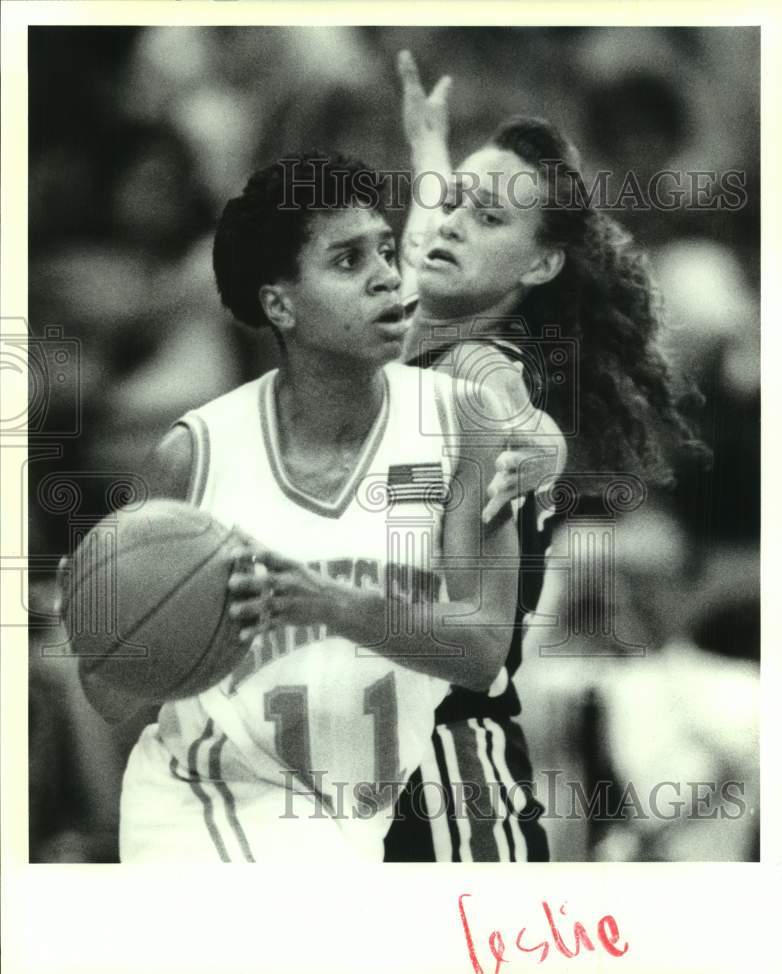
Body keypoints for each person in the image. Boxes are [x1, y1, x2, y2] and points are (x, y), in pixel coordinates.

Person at [111, 153, 521, 862]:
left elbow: (483, 650)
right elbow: (113, 689)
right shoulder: (192, 455)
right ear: (280, 304)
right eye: (348, 261)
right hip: (205, 800)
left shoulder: (464, 426)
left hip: (363, 816)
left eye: (388, 251)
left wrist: (327, 601)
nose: (388, 275)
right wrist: (123, 636)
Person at [382, 52, 705, 862]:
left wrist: (545, 443)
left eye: (487, 218)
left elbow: (513, 407)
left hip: (451, 767)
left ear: (541, 263)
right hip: (370, 741)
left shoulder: (487, 364)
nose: (452, 222)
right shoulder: (414, 308)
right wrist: (429, 147)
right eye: (458, 203)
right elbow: (431, 225)